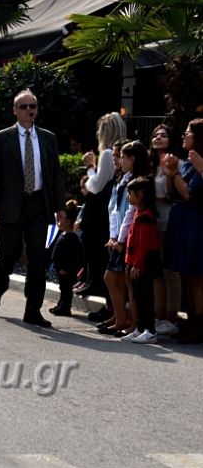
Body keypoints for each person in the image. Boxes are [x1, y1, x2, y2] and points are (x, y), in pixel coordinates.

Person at [0, 89, 66, 327]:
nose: (30, 110)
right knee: (7, 254)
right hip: (11, 205)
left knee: (38, 258)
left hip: (39, 205)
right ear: (15, 110)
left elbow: (55, 175)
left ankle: (32, 310)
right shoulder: (2, 138)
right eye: (25, 107)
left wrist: (59, 206)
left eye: (33, 106)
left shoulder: (48, 138)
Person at [99, 141, 152, 336]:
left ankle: (131, 322)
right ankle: (120, 318)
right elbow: (114, 210)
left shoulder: (139, 181)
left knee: (122, 280)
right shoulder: (123, 178)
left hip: (129, 237)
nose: (119, 160)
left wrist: (121, 240)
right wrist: (114, 236)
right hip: (119, 236)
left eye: (123, 156)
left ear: (133, 159)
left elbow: (130, 213)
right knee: (118, 279)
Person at [77, 113, 126, 301]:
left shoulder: (107, 153)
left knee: (95, 250)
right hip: (109, 207)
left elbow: (96, 185)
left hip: (99, 209)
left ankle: (95, 285)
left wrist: (90, 167)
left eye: (100, 130)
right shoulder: (118, 152)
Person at [162, 118, 203, 343]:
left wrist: (174, 173)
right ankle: (191, 320)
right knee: (187, 275)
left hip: (196, 223)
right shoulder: (187, 162)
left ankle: (199, 323)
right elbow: (174, 193)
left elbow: (190, 194)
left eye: (188, 132)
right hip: (182, 220)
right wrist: (172, 172)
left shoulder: (198, 163)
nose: (184, 135)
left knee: (196, 276)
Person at [117, 176, 162, 344]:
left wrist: (136, 265)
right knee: (137, 297)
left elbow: (143, 245)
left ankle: (150, 331)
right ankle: (140, 328)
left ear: (140, 194)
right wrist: (129, 263)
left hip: (144, 264)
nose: (128, 197)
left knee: (145, 298)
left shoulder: (145, 216)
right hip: (136, 263)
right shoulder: (138, 212)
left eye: (130, 193)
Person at [149, 124, 181, 336]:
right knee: (156, 271)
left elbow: (176, 195)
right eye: (155, 135)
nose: (158, 138)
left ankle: (171, 317)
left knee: (171, 272)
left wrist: (170, 174)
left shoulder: (176, 162)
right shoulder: (149, 164)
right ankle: (158, 315)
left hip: (171, 222)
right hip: (151, 223)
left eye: (163, 135)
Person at [49, 200, 85, 317]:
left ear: (68, 221)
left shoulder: (71, 237)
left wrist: (65, 267)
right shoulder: (65, 235)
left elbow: (72, 256)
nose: (58, 220)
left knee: (66, 288)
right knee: (63, 287)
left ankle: (65, 307)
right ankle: (61, 304)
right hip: (62, 268)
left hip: (66, 269)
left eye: (61, 218)